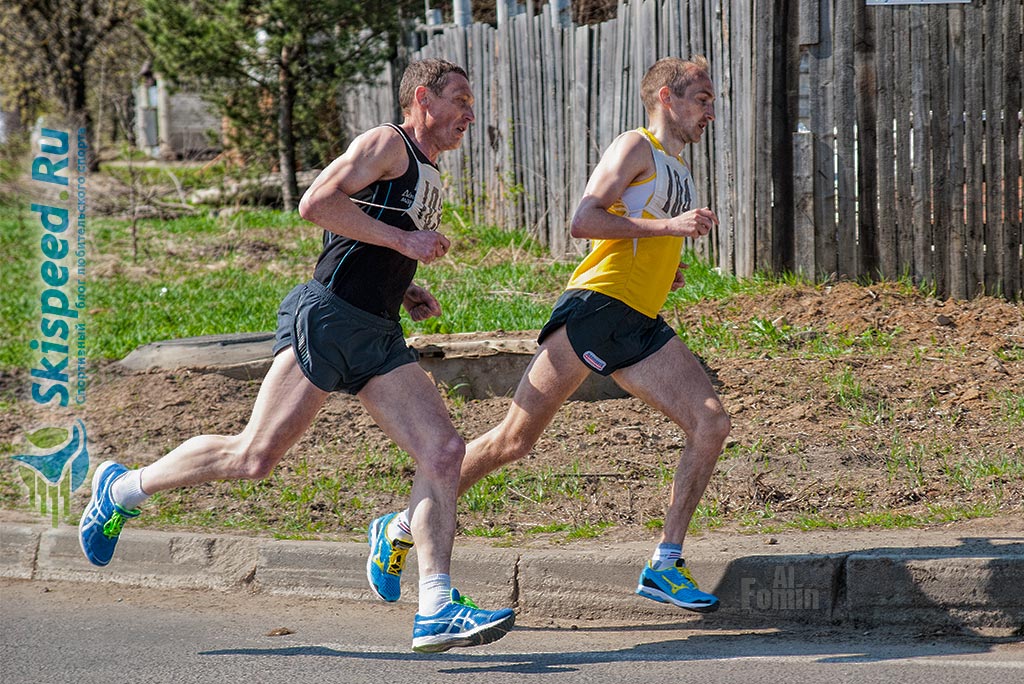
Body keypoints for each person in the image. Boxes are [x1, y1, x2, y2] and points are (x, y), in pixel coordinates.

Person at [78, 58, 515, 654]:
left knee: (444, 450)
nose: (470, 112)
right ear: (423, 98)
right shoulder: (388, 143)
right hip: (330, 318)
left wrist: (401, 281)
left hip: (377, 331)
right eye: (460, 99)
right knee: (255, 457)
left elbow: (360, 231)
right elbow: (316, 204)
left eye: (472, 102)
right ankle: (123, 490)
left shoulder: (426, 169)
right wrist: (403, 242)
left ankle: (434, 605)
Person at [367, 55, 729, 614]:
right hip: (595, 311)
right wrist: (668, 229)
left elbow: (629, 230)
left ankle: (665, 562)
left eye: (711, 99)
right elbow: (583, 219)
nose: (710, 109)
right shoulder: (634, 147)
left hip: (638, 317)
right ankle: (399, 527)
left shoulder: (678, 168)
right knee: (514, 440)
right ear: (666, 99)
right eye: (701, 98)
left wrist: (663, 259)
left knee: (710, 421)